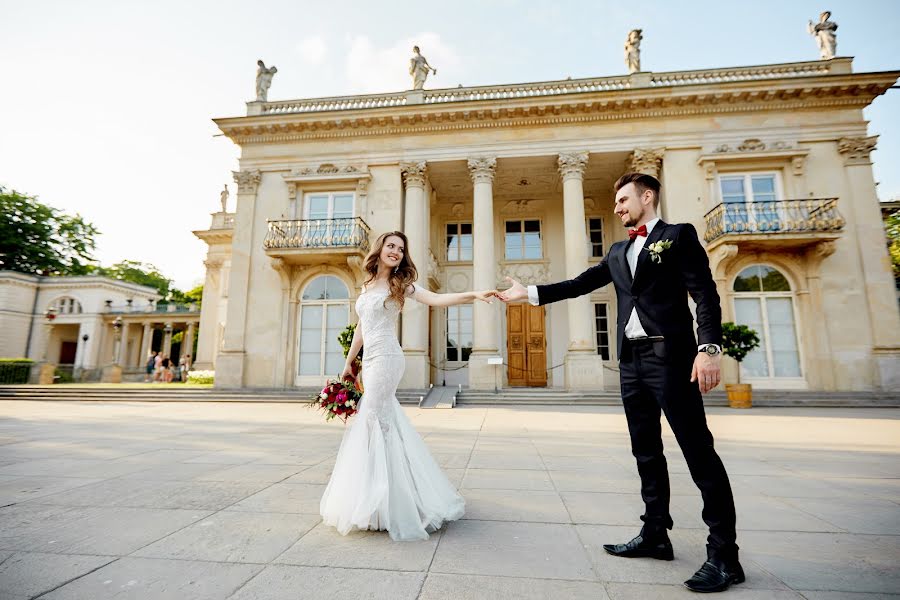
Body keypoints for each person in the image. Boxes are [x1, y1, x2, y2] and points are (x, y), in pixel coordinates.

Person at [496, 173, 742, 593]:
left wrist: (709, 349)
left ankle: (724, 555)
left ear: (647, 197)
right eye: (615, 201)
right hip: (631, 362)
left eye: (624, 199)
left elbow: (705, 294)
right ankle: (654, 535)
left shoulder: (678, 236)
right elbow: (578, 285)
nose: (617, 207)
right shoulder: (618, 250)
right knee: (645, 451)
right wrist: (529, 293)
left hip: (672, 357)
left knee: (698, 453)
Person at [320, 231, 496, 541]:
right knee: (381, 421)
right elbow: (362, 326)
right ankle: (384, 499)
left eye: (401, 249)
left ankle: (384, 501)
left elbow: (437, 299)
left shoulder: (399, 285)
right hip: (371, 359)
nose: (396, 252)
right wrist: (350, 362)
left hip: (388, 358)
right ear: (380, 249)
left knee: (372, 418)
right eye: (391, 246)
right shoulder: (367, 285)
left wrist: (474, 294)